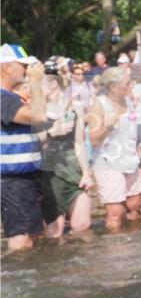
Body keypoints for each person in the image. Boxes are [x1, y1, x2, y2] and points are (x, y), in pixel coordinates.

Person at [1, 44, 54, 251]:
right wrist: (35, 82)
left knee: (32, 234)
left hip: (26, 178)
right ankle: (17, 277)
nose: (26, 69)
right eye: (22, 65)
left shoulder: (10, 97)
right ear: (7, 67)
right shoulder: (2, 98)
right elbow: (38, 116)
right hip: (12, 181)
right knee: (21, 238)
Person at [88, 66, 141, 230]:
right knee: (116, 212)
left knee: (135, 206)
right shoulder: (99, 106)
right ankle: (116, 251)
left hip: (130, 160)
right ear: (113, 87)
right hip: (108, 163)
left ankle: (135, 244)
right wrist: (108, 127)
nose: (131, 85)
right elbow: (92, 140)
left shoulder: (128, 101)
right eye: (127, 83)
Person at [40, 74, 93, 238]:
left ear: (53, 84)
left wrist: (86, 172)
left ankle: (81, 262)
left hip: (73, 170)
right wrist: (51, 132)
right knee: (55, 231)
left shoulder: (75, 108)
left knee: (82, 225)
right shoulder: (36, 109)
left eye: (39, 86)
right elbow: (32, 141)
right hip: (49, 173)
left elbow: (79, 143)